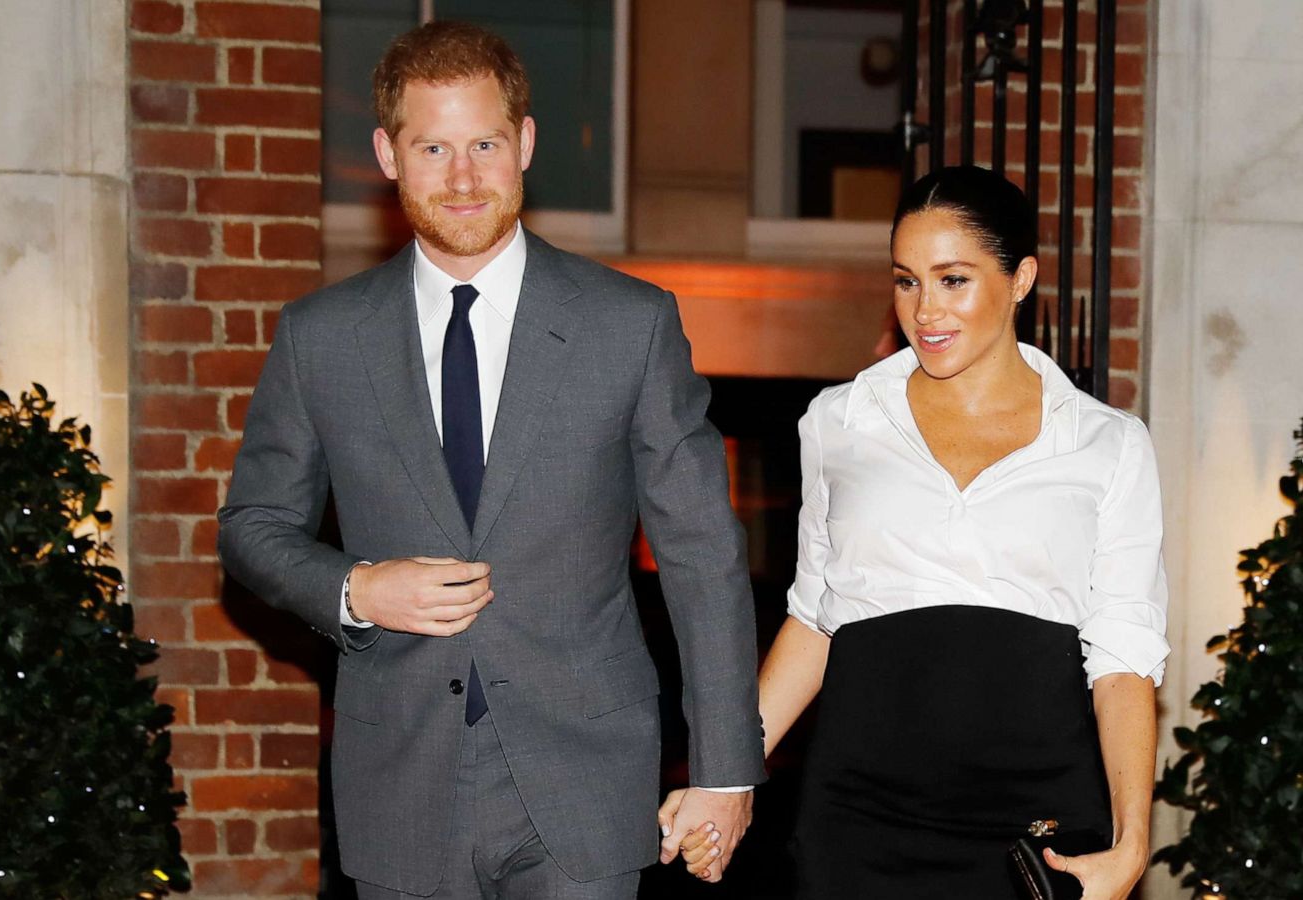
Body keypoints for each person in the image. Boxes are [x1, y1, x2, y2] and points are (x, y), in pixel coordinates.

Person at [218, 21, 764, 899]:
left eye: (484, 143)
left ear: (527, 144)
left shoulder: (630, 325)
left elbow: (702, 552)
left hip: (585, 776)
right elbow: (252, 529)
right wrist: (358, 590)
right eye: (433, 147)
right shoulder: (322, 338)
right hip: (399, 777)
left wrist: (726, 770)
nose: (463, 177)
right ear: (388, 156)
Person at [663, 165, 1168, 898]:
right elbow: (815, 616)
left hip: (1037, 822)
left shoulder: (1108, 444)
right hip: (862, 814)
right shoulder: (841, 421)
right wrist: (725, 774)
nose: (925, 310)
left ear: (1021, 278)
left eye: (953, 280)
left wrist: (1133, 841)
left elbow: (1123, 654)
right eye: (906, 281)